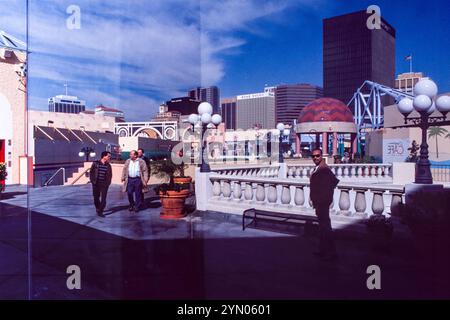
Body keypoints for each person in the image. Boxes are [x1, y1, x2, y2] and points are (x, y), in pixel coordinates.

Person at [310, 148, 339, 260]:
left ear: (321, 156)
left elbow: (333, 181)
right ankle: (323, 250)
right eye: (313, 156)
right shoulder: (319, 168)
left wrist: (326, 199)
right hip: (320, 202)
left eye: (317, 156)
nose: (315, 158)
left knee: (326, 228)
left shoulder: (324, 169)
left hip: (322, 203)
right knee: (323, 228)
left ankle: (332, 252)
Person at [90, 151, 112, 217]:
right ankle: (98, 208)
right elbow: (91, 172)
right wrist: (92, 181)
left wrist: (108, 183)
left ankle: (100, 211)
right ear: (104, 156)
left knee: (103, 199)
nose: (109, 157)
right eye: (108, 156)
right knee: (96, 198)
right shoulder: (95, 163)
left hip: (104, 184)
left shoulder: (108, 165)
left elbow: (110, 175)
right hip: (96, 183)